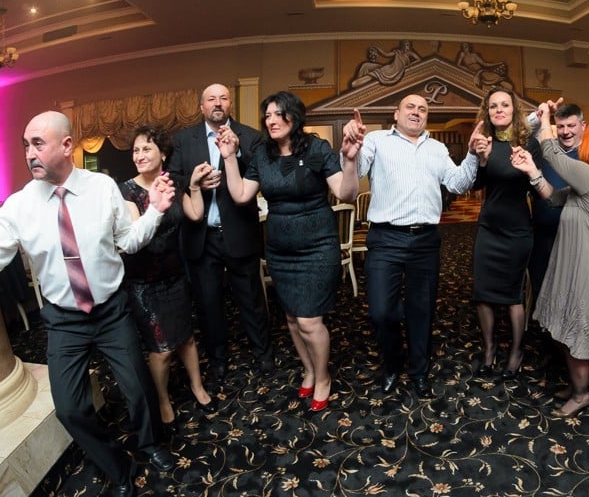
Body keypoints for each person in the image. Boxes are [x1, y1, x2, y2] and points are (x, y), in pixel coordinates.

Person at [0, 111, 176, 497]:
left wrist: (156, 211)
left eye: (38, 144)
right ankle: (118, 469)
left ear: (67, 145)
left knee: (138, 389)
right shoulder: (20, 206)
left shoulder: (102, 188)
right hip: (64, 321)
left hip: (111, 311)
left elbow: (128, 242)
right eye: (25, 145)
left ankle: (149, 444)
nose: (29, 154)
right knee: (70, 409)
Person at [219, 91, 360, 412]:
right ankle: (308, 370)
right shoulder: (262, 155)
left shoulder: (316, 149)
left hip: (317, 248)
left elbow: (346, 193)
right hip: (280, 251)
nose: (270, 120)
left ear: (293, 117)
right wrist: (229, 157)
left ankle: (323, 377)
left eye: (277, 114)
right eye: (267, 115)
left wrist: (350, 161)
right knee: (293, 319)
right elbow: (240, 194)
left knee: (309, 320)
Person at [341, 95, 483, 399]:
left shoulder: (437, 149)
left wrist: (471, 155)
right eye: (410, 107)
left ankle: (419, 371)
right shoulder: (376, 140)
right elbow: (354, 176)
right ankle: (393, 363)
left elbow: (458, 184)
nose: (416, 112)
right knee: (381, 312)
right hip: (385, 239)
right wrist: (350, 153)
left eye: (422, 109)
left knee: (422, 310)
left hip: (425, 241)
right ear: (396, 114)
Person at [509, 113, 589, 417]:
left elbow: (554, 154)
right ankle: (577, 384)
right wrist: (532, 171)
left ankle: (581, 394)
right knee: (568, 331)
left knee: (577, 334)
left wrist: (545, 120)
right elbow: (553, 197)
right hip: (584, 269)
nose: (583, 144)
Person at [167, 83, 272, 382]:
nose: (217, 103)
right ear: (201, 107)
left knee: (251, 299)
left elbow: (262, 173)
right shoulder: (183, 140)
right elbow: (171, 177)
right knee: (208, 302)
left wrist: (236, 153)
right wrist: (194, 183)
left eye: (223, 98)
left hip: (239, 232)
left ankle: (263, 354)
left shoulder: (250, 136)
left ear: (230, 105)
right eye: (211, 99)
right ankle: (218, 358)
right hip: (202, 236)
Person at [120, 125, 215, 435]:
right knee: (161, 349)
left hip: (175, 275)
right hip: (144, 283)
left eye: (146, 149)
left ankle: (197, 386)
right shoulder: (126, 192)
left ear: (163, 154)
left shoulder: (173, 181)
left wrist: (194, 186)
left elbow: (195, 214)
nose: (139, 155)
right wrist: (156, 203)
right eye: (135, 150)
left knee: (186, 338)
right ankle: (162, 399)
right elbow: (137, 238)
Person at [469, 88, 542, 379]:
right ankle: (489, 348)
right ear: (487, 112)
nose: (499, 110)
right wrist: (481, 159)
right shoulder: (483, 141)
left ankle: (516, 350)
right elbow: (475, 185)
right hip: (488, 228)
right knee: (483, 293)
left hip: (517, 231)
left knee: (513, 296)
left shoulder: (528, 143)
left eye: (505, 105)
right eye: (493, 106)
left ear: (514, 110)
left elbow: (538, 184)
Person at [529, 103, 586, 299]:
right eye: (560, 126)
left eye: (571, 126)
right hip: (543, 237)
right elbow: (518, 134)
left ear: (583, 126)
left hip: (577, 240)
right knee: (542, 293)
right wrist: (539, 115)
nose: (565, 132)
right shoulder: (546, 151)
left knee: (572, 294)